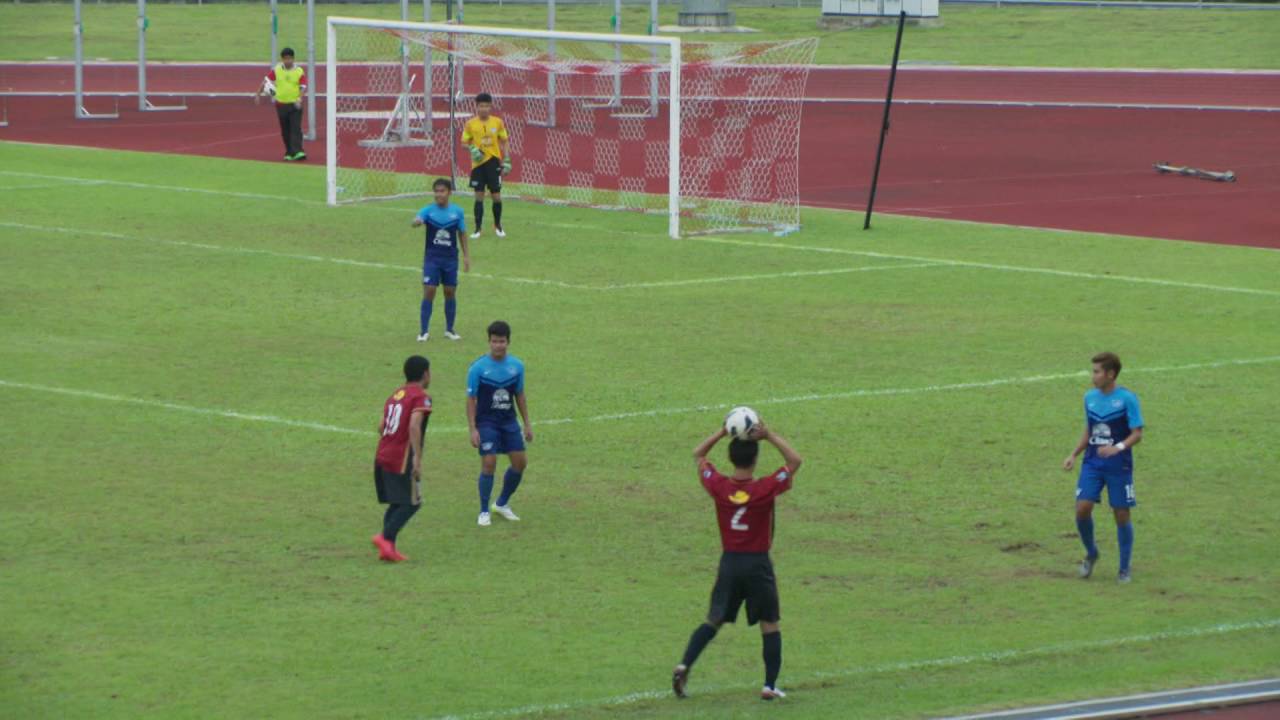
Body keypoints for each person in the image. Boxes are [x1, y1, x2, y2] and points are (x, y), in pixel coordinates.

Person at [673, 418, 802, 702]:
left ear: (731, 458)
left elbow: (699, 454)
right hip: (758, 564)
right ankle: (769, 685)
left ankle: (684, 665)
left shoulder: (719, 486)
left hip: (730, 563)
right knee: (769, 622)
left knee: (714, 619)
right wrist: (769, 435)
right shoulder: (764, 489)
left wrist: (721, 431)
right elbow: (795, 461)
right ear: (755, 459)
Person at [1062, 352, 1144, 583]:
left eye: (1097, 372)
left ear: (1110, 374)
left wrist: (1117, 447)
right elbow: (1090, 429)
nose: (1093, 376)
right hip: (1093, 462)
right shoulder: (1090, 398)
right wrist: (1074, 454)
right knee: (1082, 508)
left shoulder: (1127, 399)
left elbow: (1137, 434)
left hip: (1119, 464)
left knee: (1121, 513)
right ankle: (1091, 553)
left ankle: (1124, 568)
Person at [466, 321, 532, 527]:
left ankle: (501, 503)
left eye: (502, 341)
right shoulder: (477, 368)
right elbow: (471, 399)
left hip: (508, 421)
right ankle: (484, 510)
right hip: (486, 422)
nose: (498, 345)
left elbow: (519, 395)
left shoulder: (516, 367)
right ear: (489, 342)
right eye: (494, 341)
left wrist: (527, 423)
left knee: (520, 463)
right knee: (489, 463)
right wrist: (472, 428)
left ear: (508, 342)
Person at [371, 355, 433, 562]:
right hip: (401, 457)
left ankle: (388, 549)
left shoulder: (395, 395)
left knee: (397, 501)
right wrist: (416, 458)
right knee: (413, 503)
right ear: (426, 373)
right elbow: (414, 425)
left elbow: (381, 427)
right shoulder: (421, 397)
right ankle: (385, 538)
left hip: (382, 454)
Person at [410, 178, 470, 342]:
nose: (438, 194)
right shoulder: (428, 211)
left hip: (450, 259)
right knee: (429, 290)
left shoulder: (457, 212)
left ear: (449, 193)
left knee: (450, 292)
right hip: (432, 259)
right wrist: (416, 222)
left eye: (442, 191)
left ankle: (449, 330)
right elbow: (416, 220)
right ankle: (424, 331)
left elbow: (462, 233)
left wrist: (466, 256)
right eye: (436, 191)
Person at [460, 93, 512, 238]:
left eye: (486, 106)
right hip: (478, 165)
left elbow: (504, 141)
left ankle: (498, 225)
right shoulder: (470, 124)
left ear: (491, 107)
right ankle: (477, 229)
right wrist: (472, 149)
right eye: (481, 106)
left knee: (496, 196)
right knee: (478, 196)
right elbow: (463, 142)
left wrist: (507, 160)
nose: (484, 109)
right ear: (476, 107)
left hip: (494, 162)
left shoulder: (498, 122)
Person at [255, 47, 307, 161]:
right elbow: (266, 81)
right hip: (281, 105)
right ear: (282, 59)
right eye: (285, 58)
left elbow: (303, 86)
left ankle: (298, 151)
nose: (288, 61)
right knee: (285, 130)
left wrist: (299, 98)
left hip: (294, 105)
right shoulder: (277, 70)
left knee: (295, 128)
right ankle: (289, 152)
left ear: (293, 59)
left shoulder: (299, 71)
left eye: (290, 58)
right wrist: (258, 93)